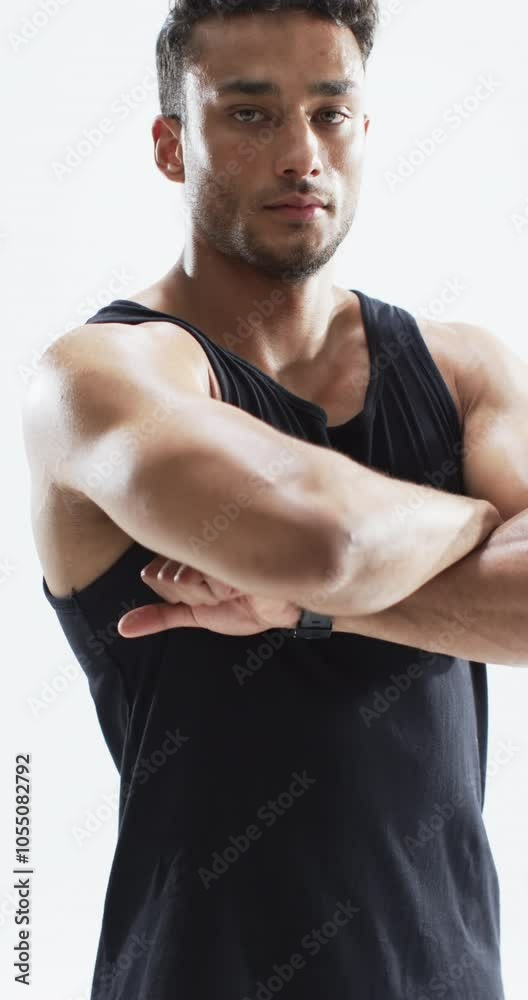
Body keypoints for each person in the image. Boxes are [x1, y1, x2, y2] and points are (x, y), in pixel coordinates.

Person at [22, 2, 528, 997]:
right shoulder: (97, 378)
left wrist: (307, 611)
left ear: (363, 130)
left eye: (330, 113)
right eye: (250, 114)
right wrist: (480, 523)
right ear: (172, 145)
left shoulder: (466, 368)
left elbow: (325, 576)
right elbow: (324, 542)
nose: (302, 155)